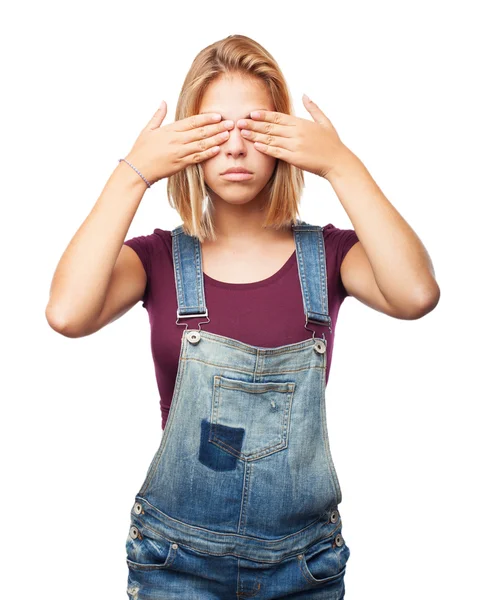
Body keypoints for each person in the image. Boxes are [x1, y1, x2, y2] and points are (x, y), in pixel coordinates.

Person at [45, 34, 440, 600]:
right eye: (212, 130)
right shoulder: (157, 260)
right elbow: (66, 313)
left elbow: (416, 294)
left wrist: (341, 164)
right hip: (175, 562)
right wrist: (134, 172)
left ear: (285, 139)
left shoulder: (328, 256)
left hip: (303, 566)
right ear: (187, 144)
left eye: (254, 128)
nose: (234, 148)